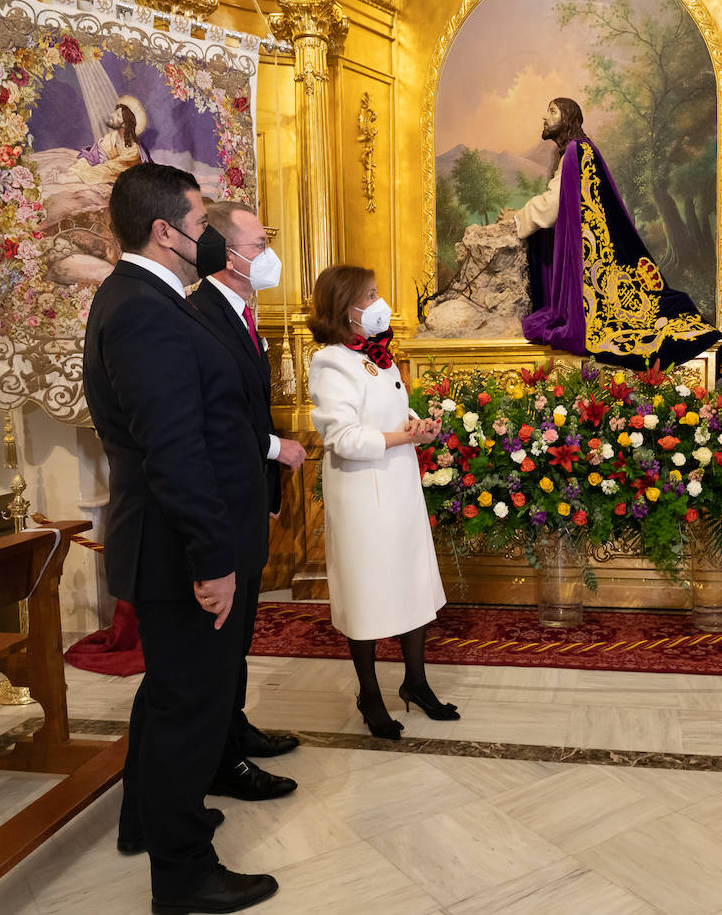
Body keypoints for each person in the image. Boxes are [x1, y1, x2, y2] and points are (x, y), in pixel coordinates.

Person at [82, 163, 277, 913]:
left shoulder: (151, 299)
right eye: (201, 225)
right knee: (186, 711)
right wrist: (212, 560)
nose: (210, 239)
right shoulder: (142, 311)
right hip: (177, 550)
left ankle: (160, 821)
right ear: (165, 232)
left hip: (178, 542)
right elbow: (175, 448)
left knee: (173, 701)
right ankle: (185, 873)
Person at [306, 265, 456, 740]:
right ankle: (369, 694)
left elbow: (392, 410)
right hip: (363, 497)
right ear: (344, 308)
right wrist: (398, 437)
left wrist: (417, 426)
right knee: (367, 594)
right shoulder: (331, 361)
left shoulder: (379, 356)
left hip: (398, 488)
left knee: (412, 585)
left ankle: (416, 682)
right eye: (369, 295)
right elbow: (342, 436)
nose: (379, 302)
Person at [188, 200, 306, 798]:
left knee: (242, 632)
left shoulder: (240, 311)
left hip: (246, 497)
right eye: (260, 246)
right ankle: (221, 757)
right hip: (222, 501)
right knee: (222, 636)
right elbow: (216, 415)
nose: (268, 256)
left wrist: (267, 487)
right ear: (226, 254)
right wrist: (273, 449)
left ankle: (234, 727)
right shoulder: (202, 315)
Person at [514, 97, 722, 371]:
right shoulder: (579, 151)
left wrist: (518, 220)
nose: (545, 116)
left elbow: (552, 207)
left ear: (568, 118)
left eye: (552, 111)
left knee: (622, 324)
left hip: (590, 266)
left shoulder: (577, 150)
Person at [71, 98, 151, 185]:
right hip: (105, 172)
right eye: (114, 112)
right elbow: (93, 159)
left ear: (124, 124)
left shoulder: (133, 150)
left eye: (118, 115)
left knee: (104, 173)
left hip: (126, 180)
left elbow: (109, 170)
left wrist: (68, 179)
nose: (112, 115)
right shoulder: (109, 139)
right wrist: (72, 171)